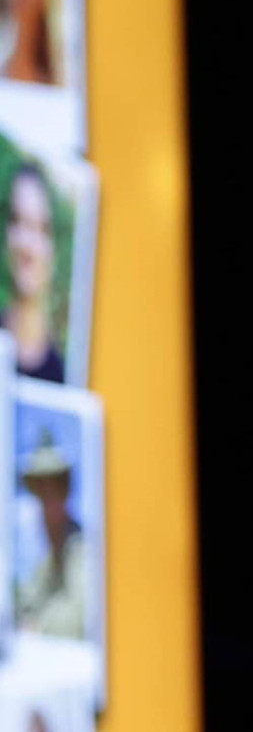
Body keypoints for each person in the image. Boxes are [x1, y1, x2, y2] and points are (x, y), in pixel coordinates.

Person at [16, 427, 89, 640]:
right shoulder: (47, 561)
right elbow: (26, 603)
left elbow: (83, 614)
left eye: (51, 492)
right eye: (40, 494)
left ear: (65, 492)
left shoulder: (81, 548)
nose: (46, 506)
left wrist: (37, 626)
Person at [5, 158, 66, 383]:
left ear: (55, 249)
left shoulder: (63, 378)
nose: (26, 243)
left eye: (40, 228)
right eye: (17, 221)